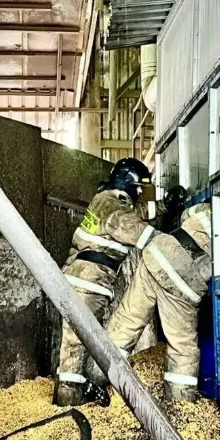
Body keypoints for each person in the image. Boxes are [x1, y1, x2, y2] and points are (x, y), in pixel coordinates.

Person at [55, 157, 159, 406]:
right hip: (87, 282)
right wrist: (169, 244)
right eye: (141, 187)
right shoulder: (110, 206)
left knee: (82, 342)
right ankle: (68, 405)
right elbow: (135, 228)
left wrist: (165, 206)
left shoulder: (110, 200)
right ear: (129, 184)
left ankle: (75, 395)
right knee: (76, 345)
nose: (142, 193)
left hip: (90, 281)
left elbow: (140, 212)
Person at [97, 203, 212, 401]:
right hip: (183, 273)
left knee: (127, 320)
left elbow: (186, 214)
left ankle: (96, 381)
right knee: (182, 345)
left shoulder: (208, 208)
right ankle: (181, 405)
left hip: (158, 252)